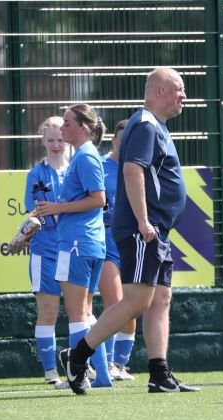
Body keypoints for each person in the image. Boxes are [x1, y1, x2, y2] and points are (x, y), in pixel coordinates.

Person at [57, 68, 200, 395]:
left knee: (160, 299)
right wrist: (143, 220)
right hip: (143, 230)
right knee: (136, 300)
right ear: (160, 91)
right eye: (179, 89)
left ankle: (159, 373)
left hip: (157, 230)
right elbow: (134, 170)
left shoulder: (157, 126)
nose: (184, 96)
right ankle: (78, 357)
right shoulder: (146, 124)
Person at [35, 103, 113, 389]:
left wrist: (58, 206)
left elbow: (98, 199)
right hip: (87, 243)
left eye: (67, 123)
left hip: (78, 243)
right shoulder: (84, 156)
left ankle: (78, 373)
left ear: (83, 127)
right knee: (86, 312)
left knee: (77, 313)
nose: (62, 127)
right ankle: (100, 375)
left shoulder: (85, 157)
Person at [23, 116, 70, 389]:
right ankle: (51, 370)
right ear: (43, 140)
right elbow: (35, 211)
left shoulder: (76, 170)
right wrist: (24, 233)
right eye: (50, 140)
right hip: (45, 250)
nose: (56, 144)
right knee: (48, 313)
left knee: (80, 311)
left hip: (72, 248)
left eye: (60, 139)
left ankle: (84, 365)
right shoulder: (36, 174)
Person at [100, 119, 136, 380]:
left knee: (133, 305)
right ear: (113, 140)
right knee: (116, 303)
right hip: (106, 240)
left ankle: (121, 365)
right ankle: (108, 363)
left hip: (133, 241)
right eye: (122, 140)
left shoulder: (139, 167)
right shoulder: (100, 166)